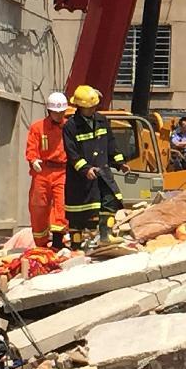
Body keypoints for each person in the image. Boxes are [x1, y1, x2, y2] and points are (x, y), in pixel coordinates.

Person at [63, 85, 130, 249]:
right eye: (90, 107)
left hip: (102, 172)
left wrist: (119, 162)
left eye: (94, 106)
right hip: (81, 178)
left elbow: (110, 143)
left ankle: (105, 235)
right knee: (78, 214)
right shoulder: (71, 126)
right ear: (80, 106)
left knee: (111, 200)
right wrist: (85, 169)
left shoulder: (101, 120)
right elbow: (72, 153)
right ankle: (76, 246)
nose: (93, 109)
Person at [25, 92, 70, 250]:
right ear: (49, 111)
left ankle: (58, 240)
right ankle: (41, 243)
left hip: (62, 171)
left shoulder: (68, 127)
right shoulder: (38, 127)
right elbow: (32, 146)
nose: (58, 115)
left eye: (61, 112)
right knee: (38, 205)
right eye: (55, 112)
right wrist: (33, 159)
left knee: (61, 205)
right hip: (42, 171)